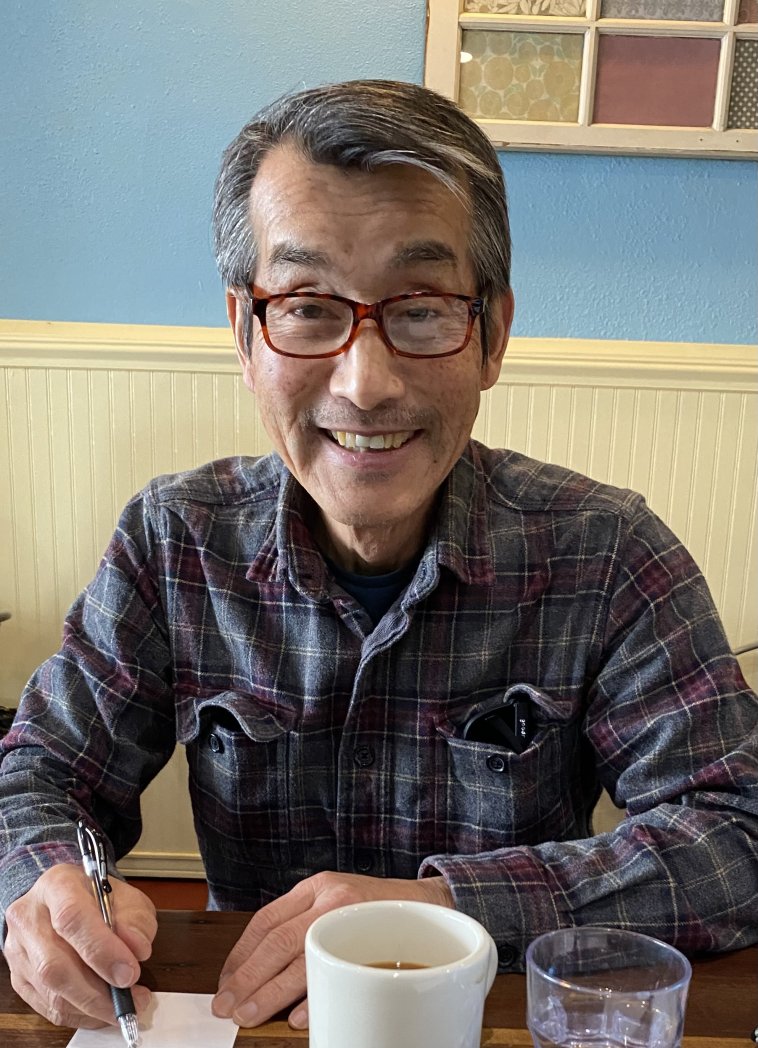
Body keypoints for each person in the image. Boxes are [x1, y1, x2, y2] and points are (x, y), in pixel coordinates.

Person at [1, 79, 756, 1034]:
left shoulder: (607, 553)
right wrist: (41, 884)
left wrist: (441, 909)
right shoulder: (173, 540)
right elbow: (41, 771)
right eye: (307, 306)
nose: (365, 384)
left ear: (492, 335)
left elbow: (736, 832)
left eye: (423, 308)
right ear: (244, 333)